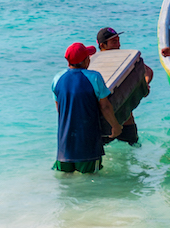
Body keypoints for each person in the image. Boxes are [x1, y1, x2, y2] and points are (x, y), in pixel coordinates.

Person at [52, 41, 121, 174]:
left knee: (66, 182)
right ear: (86, 61)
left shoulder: (57, 79)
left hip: (64, 146)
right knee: (90, 182)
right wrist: (115, 126)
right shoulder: (94, 77)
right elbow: (105, 106)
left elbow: (59, 109)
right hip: (88, 145)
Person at [89, 26, 151, 148]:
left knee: (134, 152)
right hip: (104, 122)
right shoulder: (93, 62)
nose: (118, 44)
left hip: (126, 119)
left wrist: (144, 84)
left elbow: (147, 71)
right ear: (102, 45)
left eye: (118, 40)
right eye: (114, 41)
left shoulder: (124, 57)